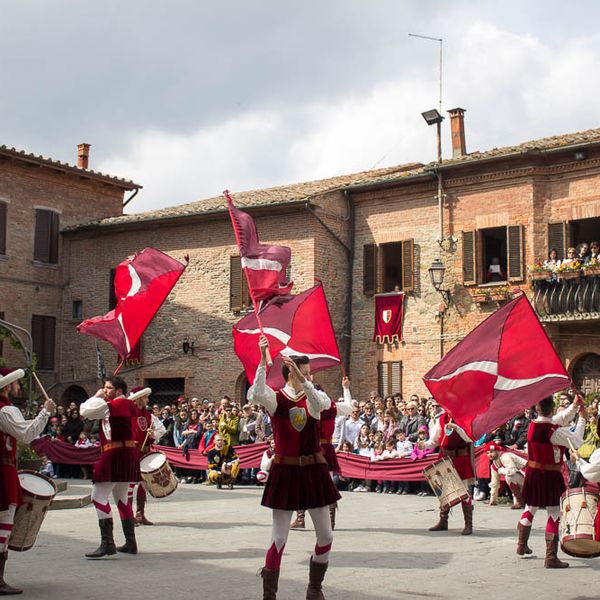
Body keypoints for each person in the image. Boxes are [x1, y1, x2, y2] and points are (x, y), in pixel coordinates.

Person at [248, 335, 340, 600]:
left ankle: (314, 588)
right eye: (304, 372)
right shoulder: (277, 399)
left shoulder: (314, 397)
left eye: (308, 373)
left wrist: (305, 380)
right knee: (279, 538)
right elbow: (256, 393)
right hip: (285, 471)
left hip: (313, 471)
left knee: (326, 535)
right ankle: (269, 594)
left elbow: (321, 405)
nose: (308, 376)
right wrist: (263, 359)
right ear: (290, 374)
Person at [0, 367, 56, 595]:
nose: (18, 387)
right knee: (5, 520)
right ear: (7, 386)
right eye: (15, 383)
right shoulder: (5, 410)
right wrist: (45, 413)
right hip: (3, 471)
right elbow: (26, 434)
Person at [516, 395, 586, 568]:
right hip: (549, 475)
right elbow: (576, 441)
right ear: (553, 408)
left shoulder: (534, 424)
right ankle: (551, 557)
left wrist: (574, 406)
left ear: (537, 409)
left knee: (530, 507)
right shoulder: (553, 431)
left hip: (533, 473)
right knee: (554, 512)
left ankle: (521, 545)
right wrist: (582, 419)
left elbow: (559, 419)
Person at [80, 376, 141, 558]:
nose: (105, 391)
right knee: (122, 499)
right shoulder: (129, 405)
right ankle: (130, 543)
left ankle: (108, 543)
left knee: (97, 497)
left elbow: (85, 410)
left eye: (108, 388)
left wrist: (97, 396)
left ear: (119, 390)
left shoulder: (113, 405)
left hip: (114, 453)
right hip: (127, 453)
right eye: (104, 388)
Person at [291, 377, 354, 530]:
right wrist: (346, 388)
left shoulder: (307, 406)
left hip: (310, 448)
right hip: (325, 449)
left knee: (301, 483)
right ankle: (328, 521)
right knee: (327, 485)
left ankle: (301, 518)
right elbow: (349, 408)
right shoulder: (331, 407)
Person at [424, 409, 475, 535]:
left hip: (460, 458)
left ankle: (468, 524)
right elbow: (435, 440)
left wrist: (456, 427)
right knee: (443, 490)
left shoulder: (465, 417)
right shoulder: (442, 419)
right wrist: (424, 445)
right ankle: (443, 521)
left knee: (464, 491)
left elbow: (469, 438)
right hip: (445, 457)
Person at [128, 387, 166, 526]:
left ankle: (140, 514)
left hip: (144, 452)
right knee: (130, 484)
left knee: (144, 483)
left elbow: (161, 430)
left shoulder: (149, 416)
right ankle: (128, 516)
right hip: (131, 452)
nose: (147, 400)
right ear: (138, 398)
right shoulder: (127, 414)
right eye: (145, 397)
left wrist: (152, 434)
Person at [485, 441, 527, 509]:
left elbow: (512, 471)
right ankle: (520, 501)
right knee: (509, 477)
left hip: (529, 478)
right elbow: (494, 483)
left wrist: (500, 470)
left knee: (509, 477)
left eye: (491, 452)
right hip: (521, 480)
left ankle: (520, 501)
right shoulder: (494, 465)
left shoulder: (505, 456)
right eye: (487, 453)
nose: (490, 455)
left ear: (497, 450)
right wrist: (493, 500)